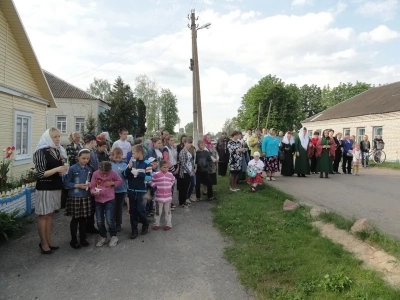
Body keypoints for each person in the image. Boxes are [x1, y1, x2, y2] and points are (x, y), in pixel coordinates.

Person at [34, 127, 68, 254]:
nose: (58, 139)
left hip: (55, 186)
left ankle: (48, 240)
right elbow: (40, 173)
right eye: (55, 137)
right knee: (43, 215)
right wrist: (57, 169)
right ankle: (43, 243)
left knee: (50, 214)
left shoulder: (57, 150)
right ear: (48, 138)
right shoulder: (40, 152)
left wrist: (61, 172)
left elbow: (56, 169)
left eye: (59, 136)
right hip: (44, 187)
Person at [63, 149, 93, 249]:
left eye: (87, 158)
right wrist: (77, 185)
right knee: (75, 219)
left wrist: (89, 184)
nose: (85, 160)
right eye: (83, 158)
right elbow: (66, 183)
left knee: (84, 219)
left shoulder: (89, 169)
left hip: (85, 196)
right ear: (78, 157)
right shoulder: (72, 168)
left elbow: (91, 181)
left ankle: (83, 238)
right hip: (75, 196)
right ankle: (74, 240)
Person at [90, 161, 123, 247]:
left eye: (106, 173)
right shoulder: (95, 174)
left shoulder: (113, 173)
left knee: (109, 219)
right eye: (103, 173)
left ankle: (114, 236)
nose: (104, 175)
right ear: (99, 169)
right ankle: (103, 236)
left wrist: (113, 183)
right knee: (99, 220)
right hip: (98, 200)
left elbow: (120, 181)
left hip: (109, 199)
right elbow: (92, 185)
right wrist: (93, 192)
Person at [124, 145, 153, 239]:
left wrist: (139, 174)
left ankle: (145, 224)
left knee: (141, 210)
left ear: (140, 153)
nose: (132, 155)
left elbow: (149, 177)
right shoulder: (132, 162)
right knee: (132, 211)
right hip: (132, 190)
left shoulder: (147, 163)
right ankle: (134, 230)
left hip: (142, 190)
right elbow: (125, 175)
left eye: (133, 153)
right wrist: (129, 168)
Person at [148, 160, 175, 230]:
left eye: (167, 167)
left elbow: (173, 180)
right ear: (160, 167)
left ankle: (168, 224)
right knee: (158, 212)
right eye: (164, 167)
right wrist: (155, 186)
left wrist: (170, 185)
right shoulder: (156, 174)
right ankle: (156, 224)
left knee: (168, 212)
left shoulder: (170, 175)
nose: (166, 169)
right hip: (158, 197)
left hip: (168, 197)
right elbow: (149, 180)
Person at [83, 134, 99, 233]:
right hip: (90, 181)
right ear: (92, 141)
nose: (96, 143)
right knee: (89, 205)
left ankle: (90, 225)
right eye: (96, 141)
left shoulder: (90, 151)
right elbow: (93, 167)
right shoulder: (87, 152)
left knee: (91, 205)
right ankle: (88, 227)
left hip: (92, 180)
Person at [111, 147, 128, 232]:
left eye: (119, 157)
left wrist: (124, 172)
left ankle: (118, 223)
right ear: (112, 156)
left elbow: (127, 176)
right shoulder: (110, 165)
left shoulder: (125, 165)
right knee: (112, 207)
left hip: (122, 189)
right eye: (116, 158)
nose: (117, 159)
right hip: (112, 189)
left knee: (119, 206)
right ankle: (112, 223)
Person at [178, 137, 196, 207]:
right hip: (184, 173)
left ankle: (184, 200)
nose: (189, 145)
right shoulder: (182, 152)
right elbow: (183, 164)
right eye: (188, 143)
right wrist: (189, 172)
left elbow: (191, 162)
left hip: (189, 172)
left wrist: (192, 170)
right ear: (184, 143)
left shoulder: (188, 152)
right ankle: (181, 202)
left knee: (186, 188)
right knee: (183, 188)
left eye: (190, 143)